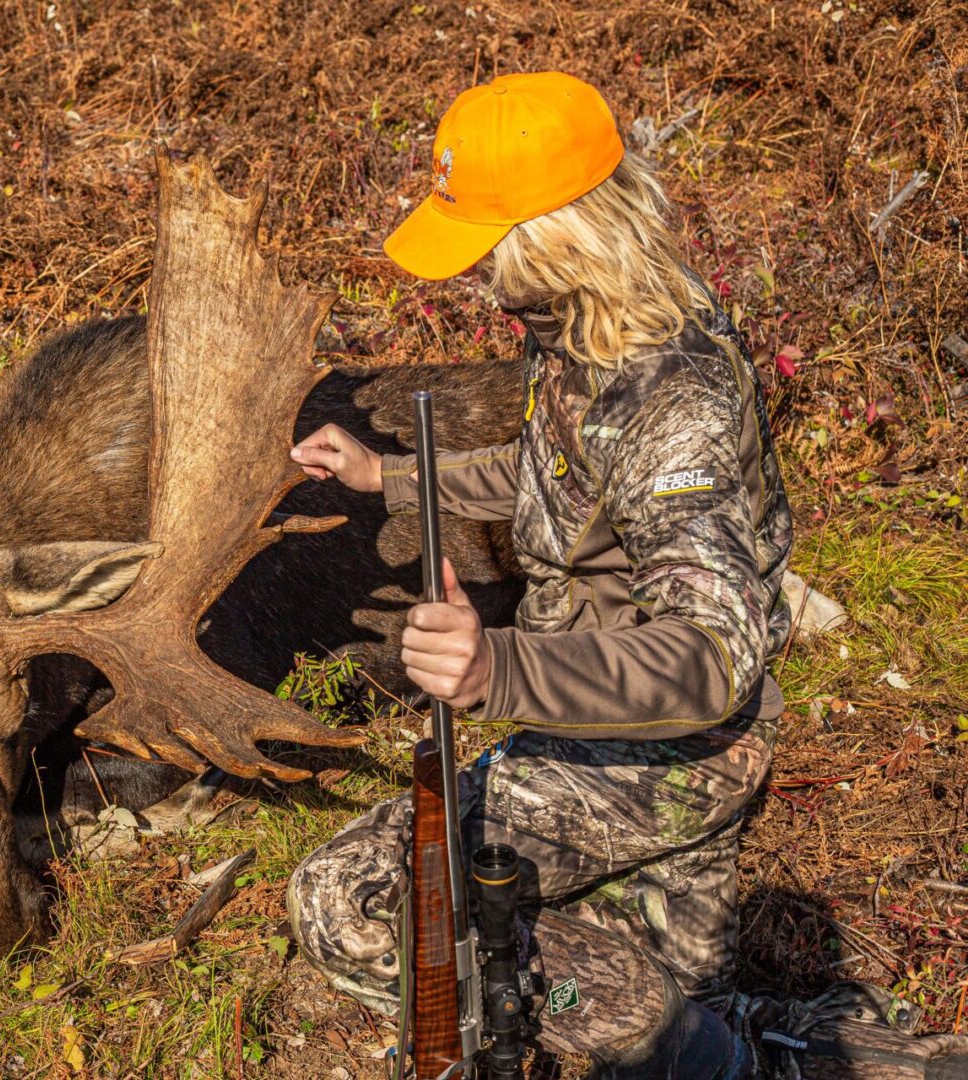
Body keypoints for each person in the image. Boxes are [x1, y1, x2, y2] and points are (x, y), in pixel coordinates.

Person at [283, 72, 966, 1079]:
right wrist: (389, 472)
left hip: (670, 748)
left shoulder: (666, 392)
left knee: (349, 902)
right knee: (653, 990)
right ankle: (749, 1043)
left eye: (484, 247)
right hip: (609, 721)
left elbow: (713, 655)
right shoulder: (589, 332)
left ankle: (717, 1050)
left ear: (552, 238)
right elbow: (557, 474)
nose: (474, 275)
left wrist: (494, 674)